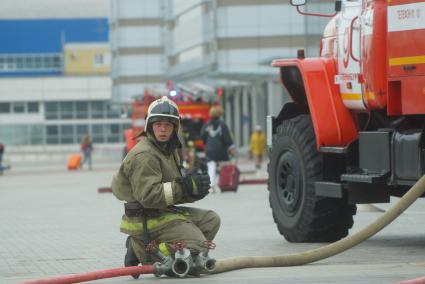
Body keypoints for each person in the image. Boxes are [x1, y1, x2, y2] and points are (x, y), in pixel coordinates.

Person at [111, 96, 220, 278]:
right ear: (149, 126)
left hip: (162, 212)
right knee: (200, 246)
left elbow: (172, 190)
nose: (163, 129)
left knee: (211, 220)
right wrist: (184, 187)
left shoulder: (168, 150)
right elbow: (149, 196)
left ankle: (170, 253)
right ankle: (139, 249)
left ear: (174, 128)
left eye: (168, 125)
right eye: (158, 124)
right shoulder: (145, 155)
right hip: (145, 217)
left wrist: (194, 190)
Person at [200, 105, 236, 192]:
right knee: (223, 166)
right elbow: (227, 137)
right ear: (220, 114)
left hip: (210, 149)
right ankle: (224, 183)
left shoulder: (207, 124)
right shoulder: (222, 124)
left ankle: (211, 186)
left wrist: (206, 143)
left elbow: (202, 135)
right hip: (221, 149)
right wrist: (231, 147)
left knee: (211, 166)